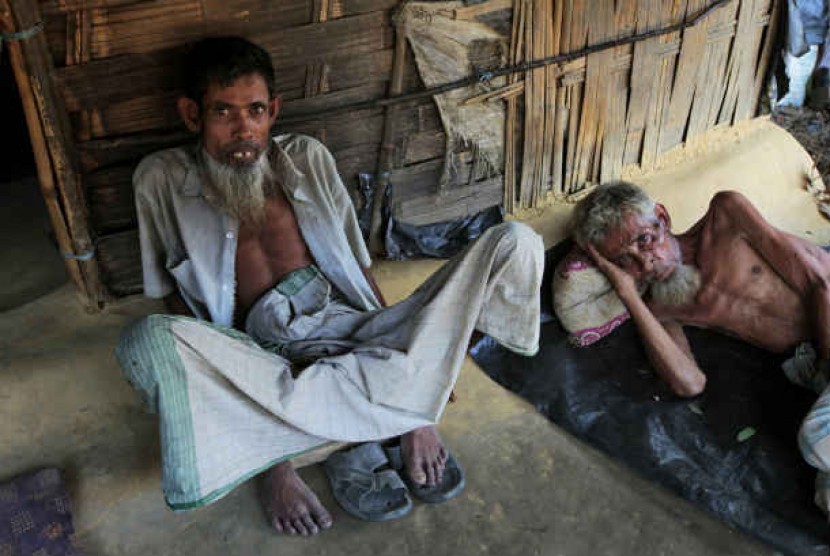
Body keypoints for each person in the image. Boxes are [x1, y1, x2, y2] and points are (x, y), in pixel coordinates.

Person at [116, 36, 544, 536]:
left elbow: (357, 266)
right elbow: (173, 300)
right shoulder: (161, 181)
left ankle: (402, 413)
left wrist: (402, 343)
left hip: (352, 322)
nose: (243, 129)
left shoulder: (308, 159)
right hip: (262, 354)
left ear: (273, 110)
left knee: (517, 243)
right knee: (146, 339)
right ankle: (282, 462)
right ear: (192, 115)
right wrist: (222, 371)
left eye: (255, 111)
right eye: (223, 112)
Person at [569, 181, 830, 514]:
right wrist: (629, 295)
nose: (646, 264)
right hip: (818, 372)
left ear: (662, 217)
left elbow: (820, 283)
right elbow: (690, 382)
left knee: (817, 440)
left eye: (645, 241)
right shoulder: (661, 306)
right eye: (625, 261)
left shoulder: (728, 216)